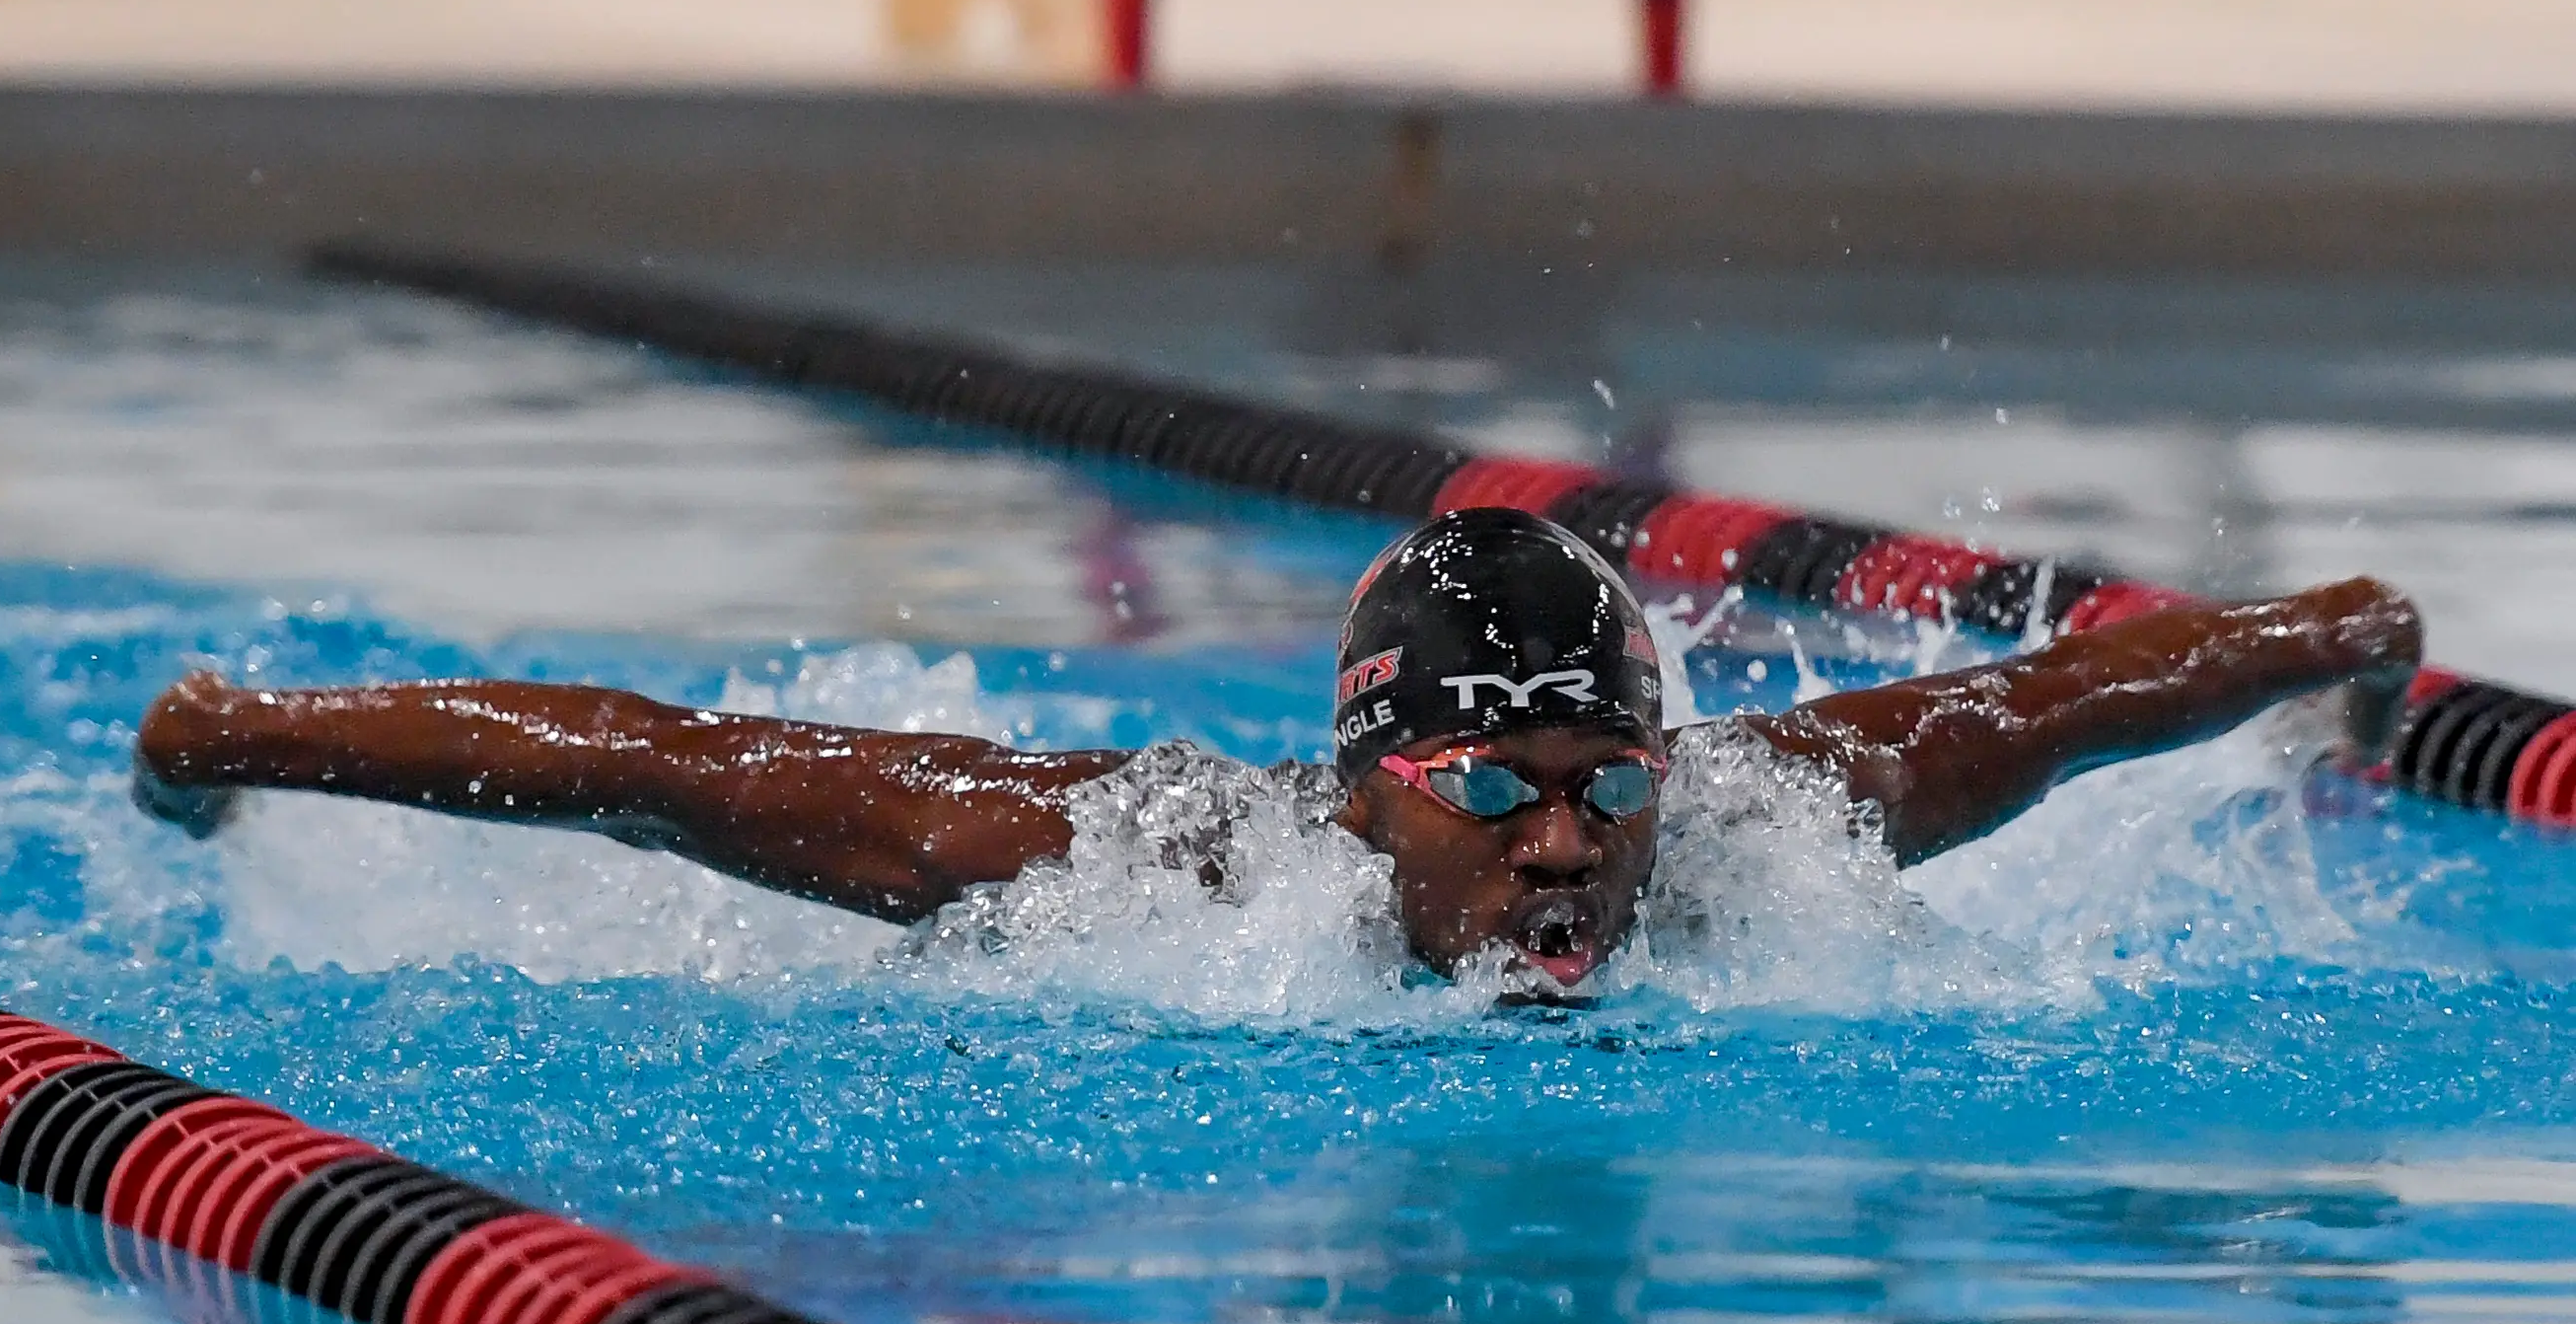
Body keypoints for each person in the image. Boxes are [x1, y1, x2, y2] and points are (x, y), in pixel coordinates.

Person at [132, 508, 2422, 997]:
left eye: (1605, 784)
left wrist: (2339, 641)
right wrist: (238, 731)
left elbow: (2048, 702)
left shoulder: (1756, 831)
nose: (1565, 842)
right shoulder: (1153, 869)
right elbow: (662, 760)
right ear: (1365, 790)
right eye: (1495, 789)